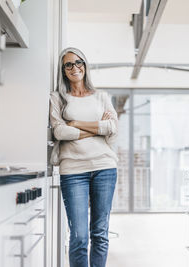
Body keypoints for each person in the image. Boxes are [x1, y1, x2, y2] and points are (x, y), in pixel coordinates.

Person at [49, 47, 118, 267]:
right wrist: (99, 128)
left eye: (78, 62)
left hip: (104, 167)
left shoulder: (102, 96)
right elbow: (60, 132)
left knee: (100, 232)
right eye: (68, 64)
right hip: (73, 171)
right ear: (63, 70)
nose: (74, 67)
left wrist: (76, 124)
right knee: (79, 236)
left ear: (85, 65)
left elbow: (113, 128)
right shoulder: (57, 98)